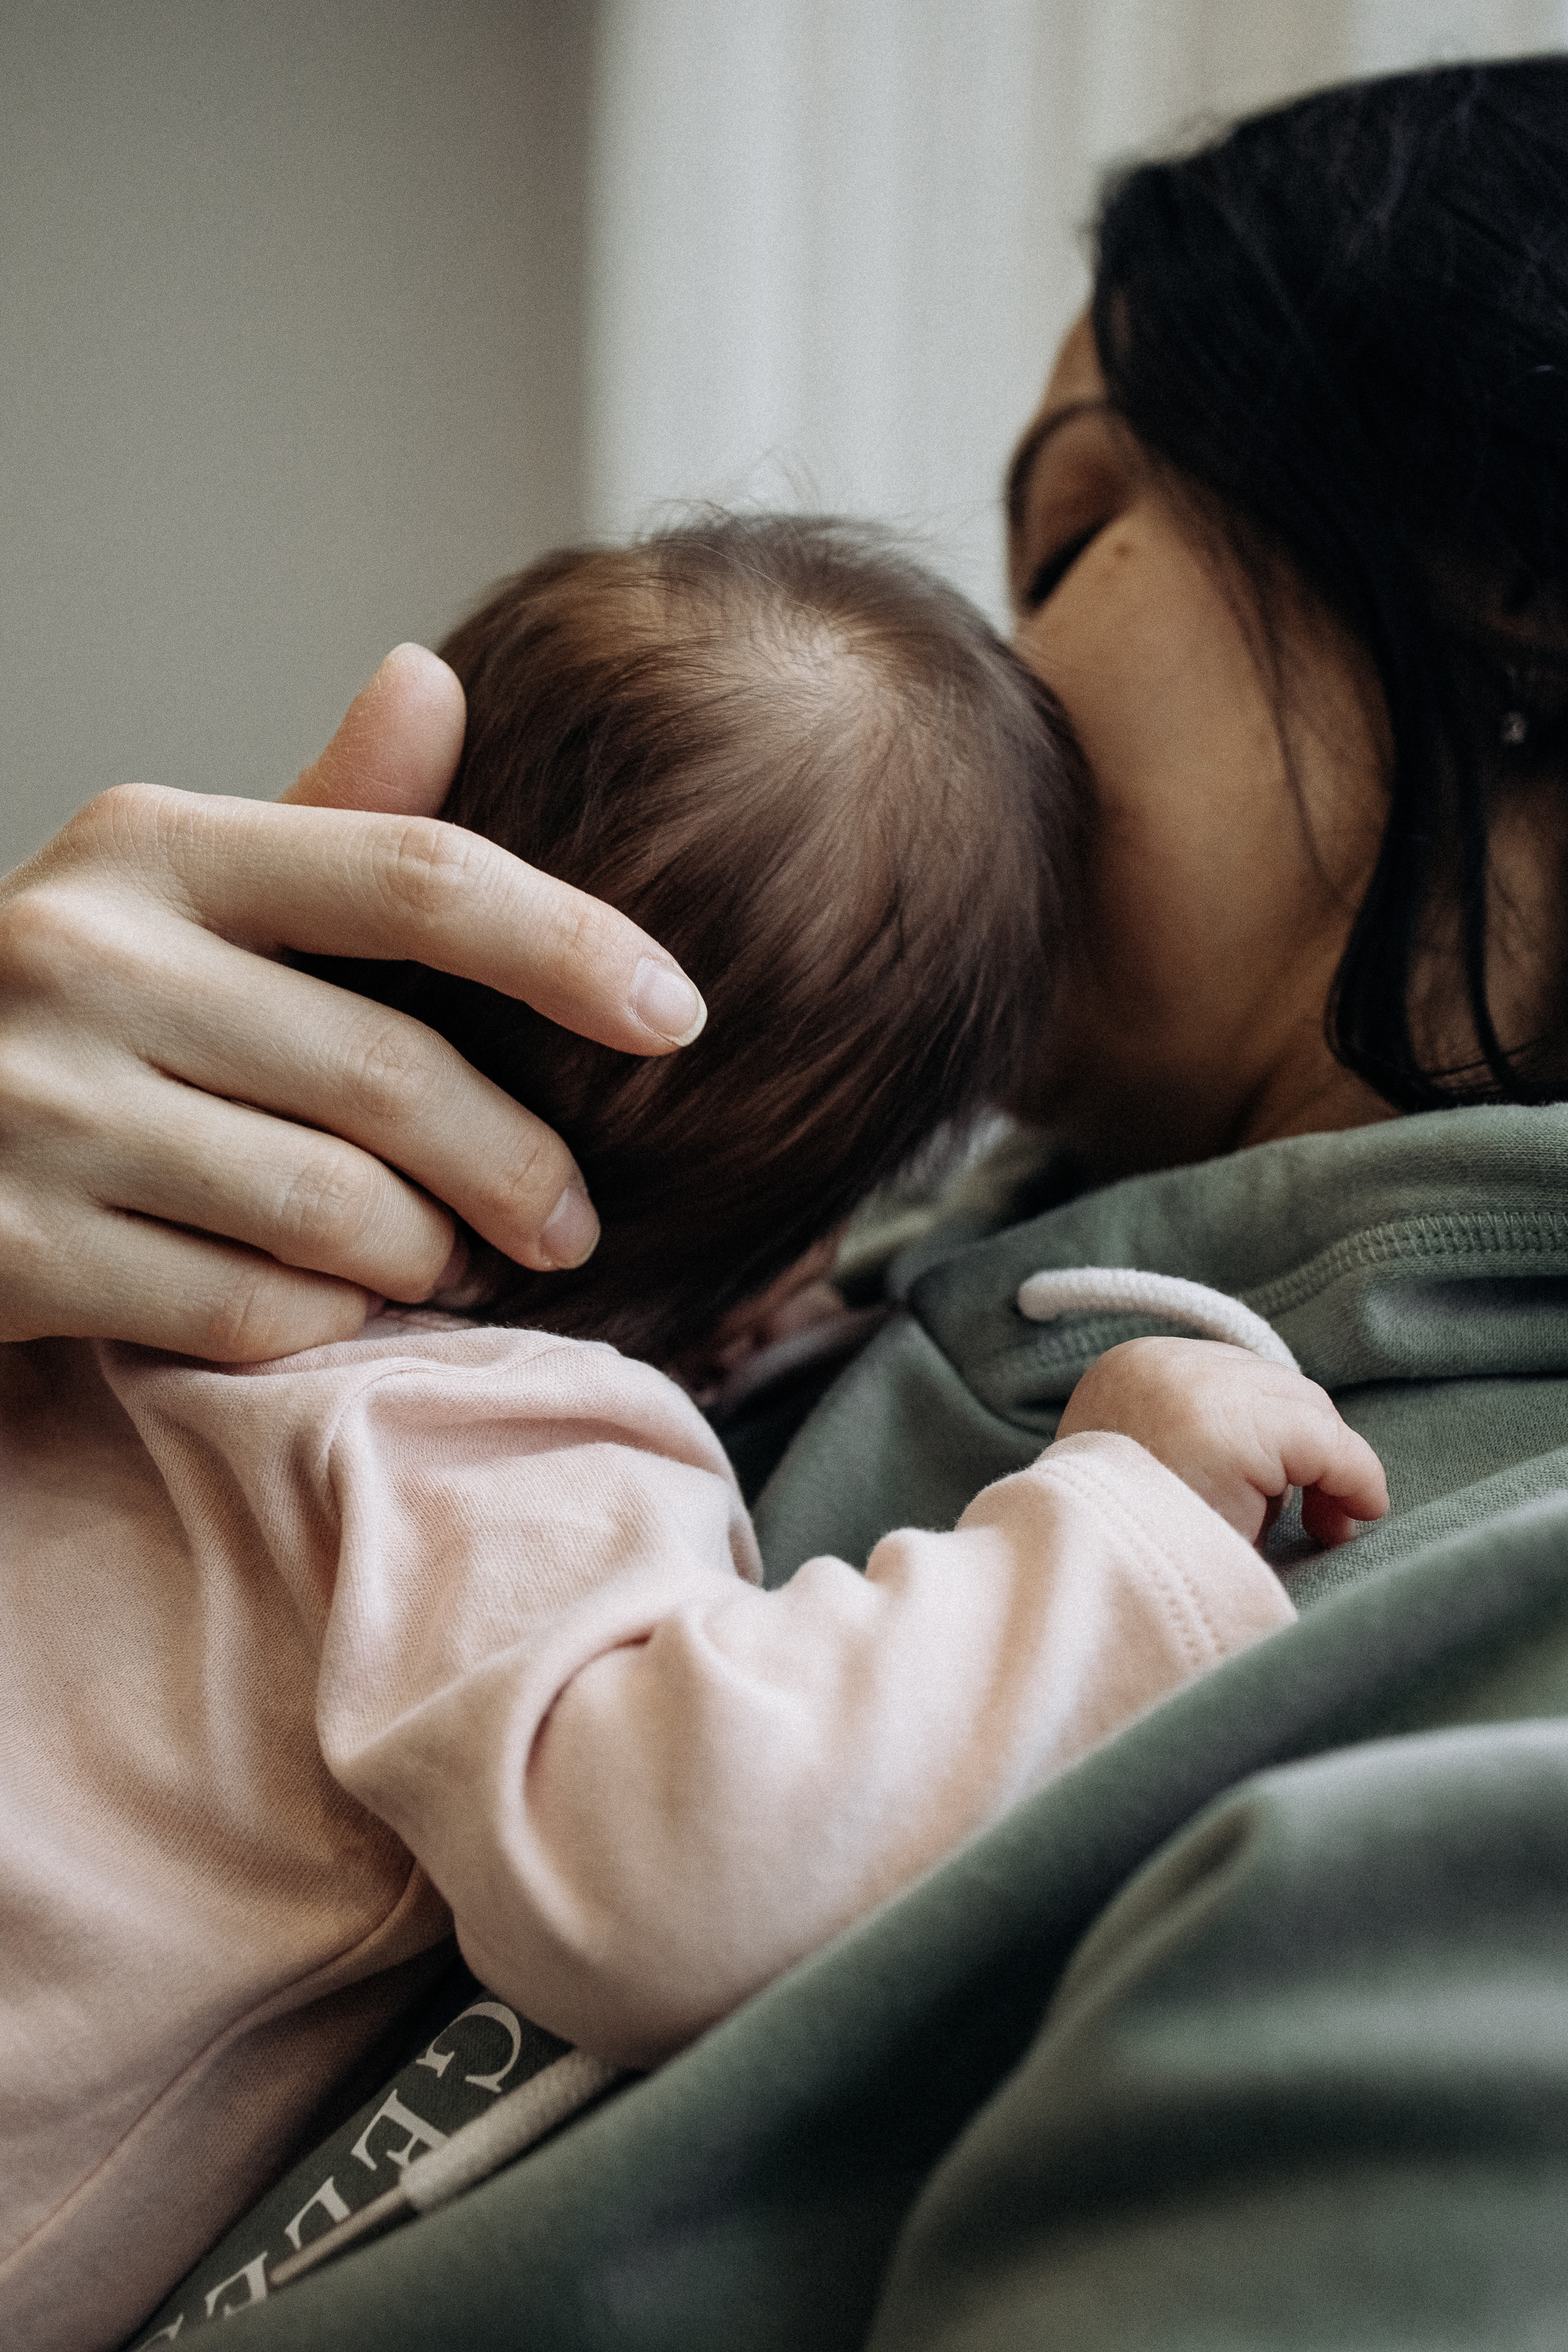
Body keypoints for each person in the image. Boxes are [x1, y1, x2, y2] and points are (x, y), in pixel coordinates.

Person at [3, 50, 1567, 2352]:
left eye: (1073, 531)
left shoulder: (1479, 1651)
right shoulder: (553, 1361)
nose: (1015, 672)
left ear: (1515, 579)